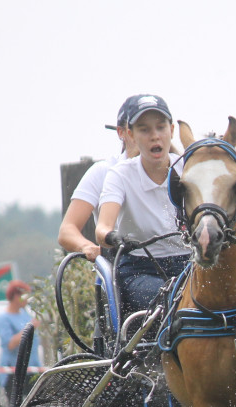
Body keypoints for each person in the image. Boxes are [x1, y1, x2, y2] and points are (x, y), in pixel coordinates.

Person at [96, 94, 191, 315]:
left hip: (189, 263)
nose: (155, 136)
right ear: (130, 135)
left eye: (160, 128)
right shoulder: (120, 175)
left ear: (172, 130)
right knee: (176, 298)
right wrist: (113, 237)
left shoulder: (188, 169)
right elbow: (102, 229)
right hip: (140, 269)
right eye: (144, 130)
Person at [57, 95, 143, 262]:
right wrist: (86, 247)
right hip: (123, 262)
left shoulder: (172, 169)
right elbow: (68, 229)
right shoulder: (103, 172)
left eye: (156, 128)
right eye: (141, 129)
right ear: (122, 132)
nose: (147, 136)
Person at [0, 280, 41, 404]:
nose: (27, 300)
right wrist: (29, 328)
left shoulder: (25, 314)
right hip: (14, 373)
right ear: (16, 296)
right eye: (24, 296)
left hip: (31, 371)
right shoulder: (4, 319)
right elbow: (9, 344)